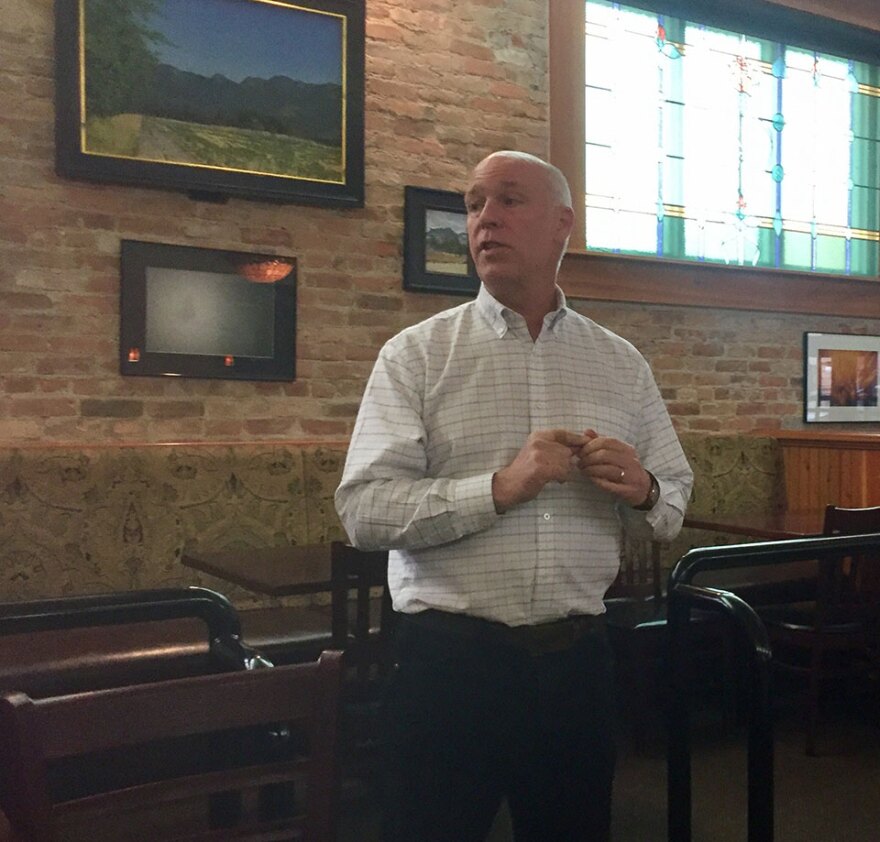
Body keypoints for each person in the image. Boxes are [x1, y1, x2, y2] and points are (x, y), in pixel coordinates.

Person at [335, 150, 693, 842]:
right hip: (447, 670)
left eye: (508, 200)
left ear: (563, 224)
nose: (485, 219)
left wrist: (644, 488)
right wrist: (499, 489)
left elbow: (673, 504)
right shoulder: (416, 356)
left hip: (576, 669)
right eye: (474, 205)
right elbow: (364, 511)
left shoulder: (621, 364)